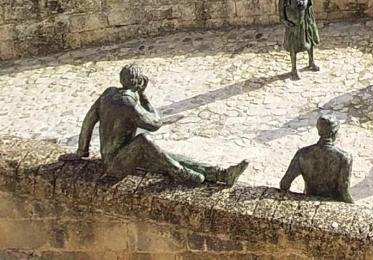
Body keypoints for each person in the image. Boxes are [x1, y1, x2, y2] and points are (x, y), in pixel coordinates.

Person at [76, 63, 248, 186]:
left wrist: (81, 151)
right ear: (138, 82)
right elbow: (155, 123)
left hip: (126, 155)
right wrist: (143, 96)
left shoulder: (108, 93)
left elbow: (88, 120)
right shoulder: (129, 103)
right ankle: (179, 172)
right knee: (145, 140)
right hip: (116, 164)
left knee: (170, 156)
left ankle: (222, 174)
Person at [279, 114, 353, 202]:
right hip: (331, 202)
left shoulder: (303, 153)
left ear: (318, 130)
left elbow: (284, 184)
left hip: (309, 197)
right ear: (335, 132)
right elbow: (344, 191)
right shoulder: (344, 158)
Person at [279, 0, 321, 80]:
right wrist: (283, 18)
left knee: (310, 36)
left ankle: (311, 61)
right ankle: (294, 68)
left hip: (307, 11)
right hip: (295, 14)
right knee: (294, 41)